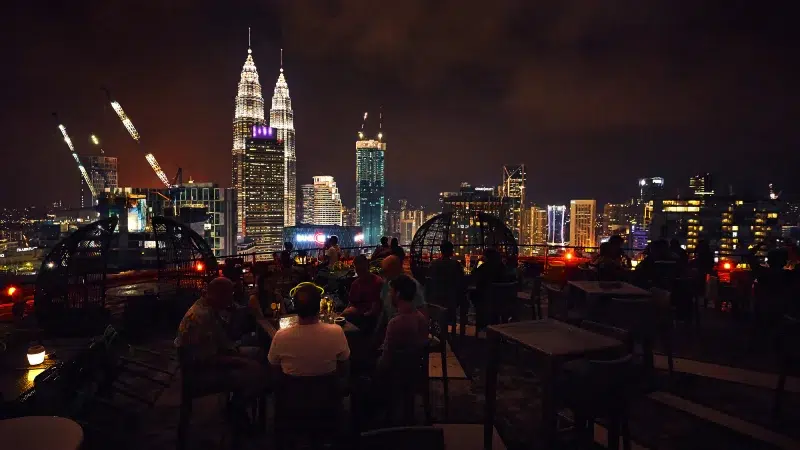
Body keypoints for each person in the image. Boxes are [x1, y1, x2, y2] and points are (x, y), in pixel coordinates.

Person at [176, 277, 267, 400]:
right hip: (202, 372)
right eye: (230, 295)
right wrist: (242, 361)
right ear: (220, 295)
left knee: (259, 353)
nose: (231, 299)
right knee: (252, 371)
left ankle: (242, 401)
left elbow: (222, 339)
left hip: (212, 356)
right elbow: (210, 358)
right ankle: (237, 408)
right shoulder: (202, 316)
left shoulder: (206, 306)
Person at [267, 283, 351, 377]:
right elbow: (344, 367)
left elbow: (274, 369)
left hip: (292, 391)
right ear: (319, 306)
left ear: (295, 307)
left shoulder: (280, 336)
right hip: (328, 390)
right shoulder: (336, 332)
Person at [377, 275, 429, 371]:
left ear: (398, 294)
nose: (389, 294)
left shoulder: (395, 323)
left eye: (390, 291)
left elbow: (385, 361)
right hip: (414, 371)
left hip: (396, 376)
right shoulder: (420, 317)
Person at [379, 255, 427, 326]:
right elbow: (383, 310)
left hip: (408, 327)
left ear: (395, 270)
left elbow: (422, 311)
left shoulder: (411, 284)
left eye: (385, 271)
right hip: (392, 325)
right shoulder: (387, 284)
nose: (383, 274)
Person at [343, 254, 384, 332]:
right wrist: (343, 314)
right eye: (358, 270)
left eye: (362, 269)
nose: (360, 273)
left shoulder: (377, 283)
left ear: (367, 267)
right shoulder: (355, 284)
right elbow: (351, 303)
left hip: (370, 319)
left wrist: (358, 313)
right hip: (358, 315)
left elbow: (375, 310)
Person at [427, 241, 465, 308]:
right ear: (450, 250)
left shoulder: (433, 263)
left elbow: (429, 278)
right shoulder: (456, 265)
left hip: (436, 295)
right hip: (451, 297)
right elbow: (461, 280)